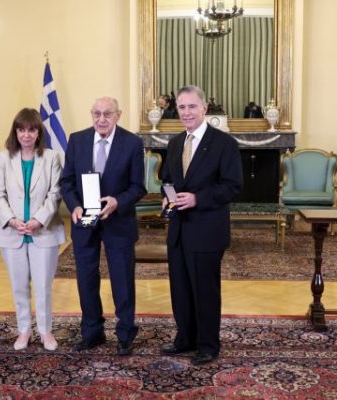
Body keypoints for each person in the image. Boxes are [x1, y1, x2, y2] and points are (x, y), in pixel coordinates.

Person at [159, 85, 242, 365]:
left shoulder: (224, 144)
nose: (186, 112)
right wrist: (166, 197)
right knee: (180, 289)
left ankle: (207, 345)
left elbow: (232, 186)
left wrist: (198, 198)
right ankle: (185, 338)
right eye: (182, 107)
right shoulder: (174, 143)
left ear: (204, 108)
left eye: (192, 106)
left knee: (205, 290)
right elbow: (167, 179)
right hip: (178, 230)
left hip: (207, 230)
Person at [61, 97, 147, 356]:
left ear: (118, 115)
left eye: (107, 114)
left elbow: (138, 187)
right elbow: (67, 182)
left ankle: (125, 334)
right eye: (96, 113)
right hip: (84, 222)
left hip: (118, 221)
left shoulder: (132, 143)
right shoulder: (77, 140)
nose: (101, 119)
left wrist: (117, 201)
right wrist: (74, 206)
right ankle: (92, 332)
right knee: (86, 279)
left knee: (122, 279)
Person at [0, 108, 66, 351]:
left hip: (43, 231)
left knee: (43, 286)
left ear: (38, 133)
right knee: (19, 286)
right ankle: (24, 330)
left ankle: (45, 331)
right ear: (15, 132)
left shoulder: (52, 157)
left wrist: (38, 219)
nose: (26, 135)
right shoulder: (4, 158)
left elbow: (55, 193)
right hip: (12, 232)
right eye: (21, 129)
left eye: (31, 130)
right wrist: (12, 220)